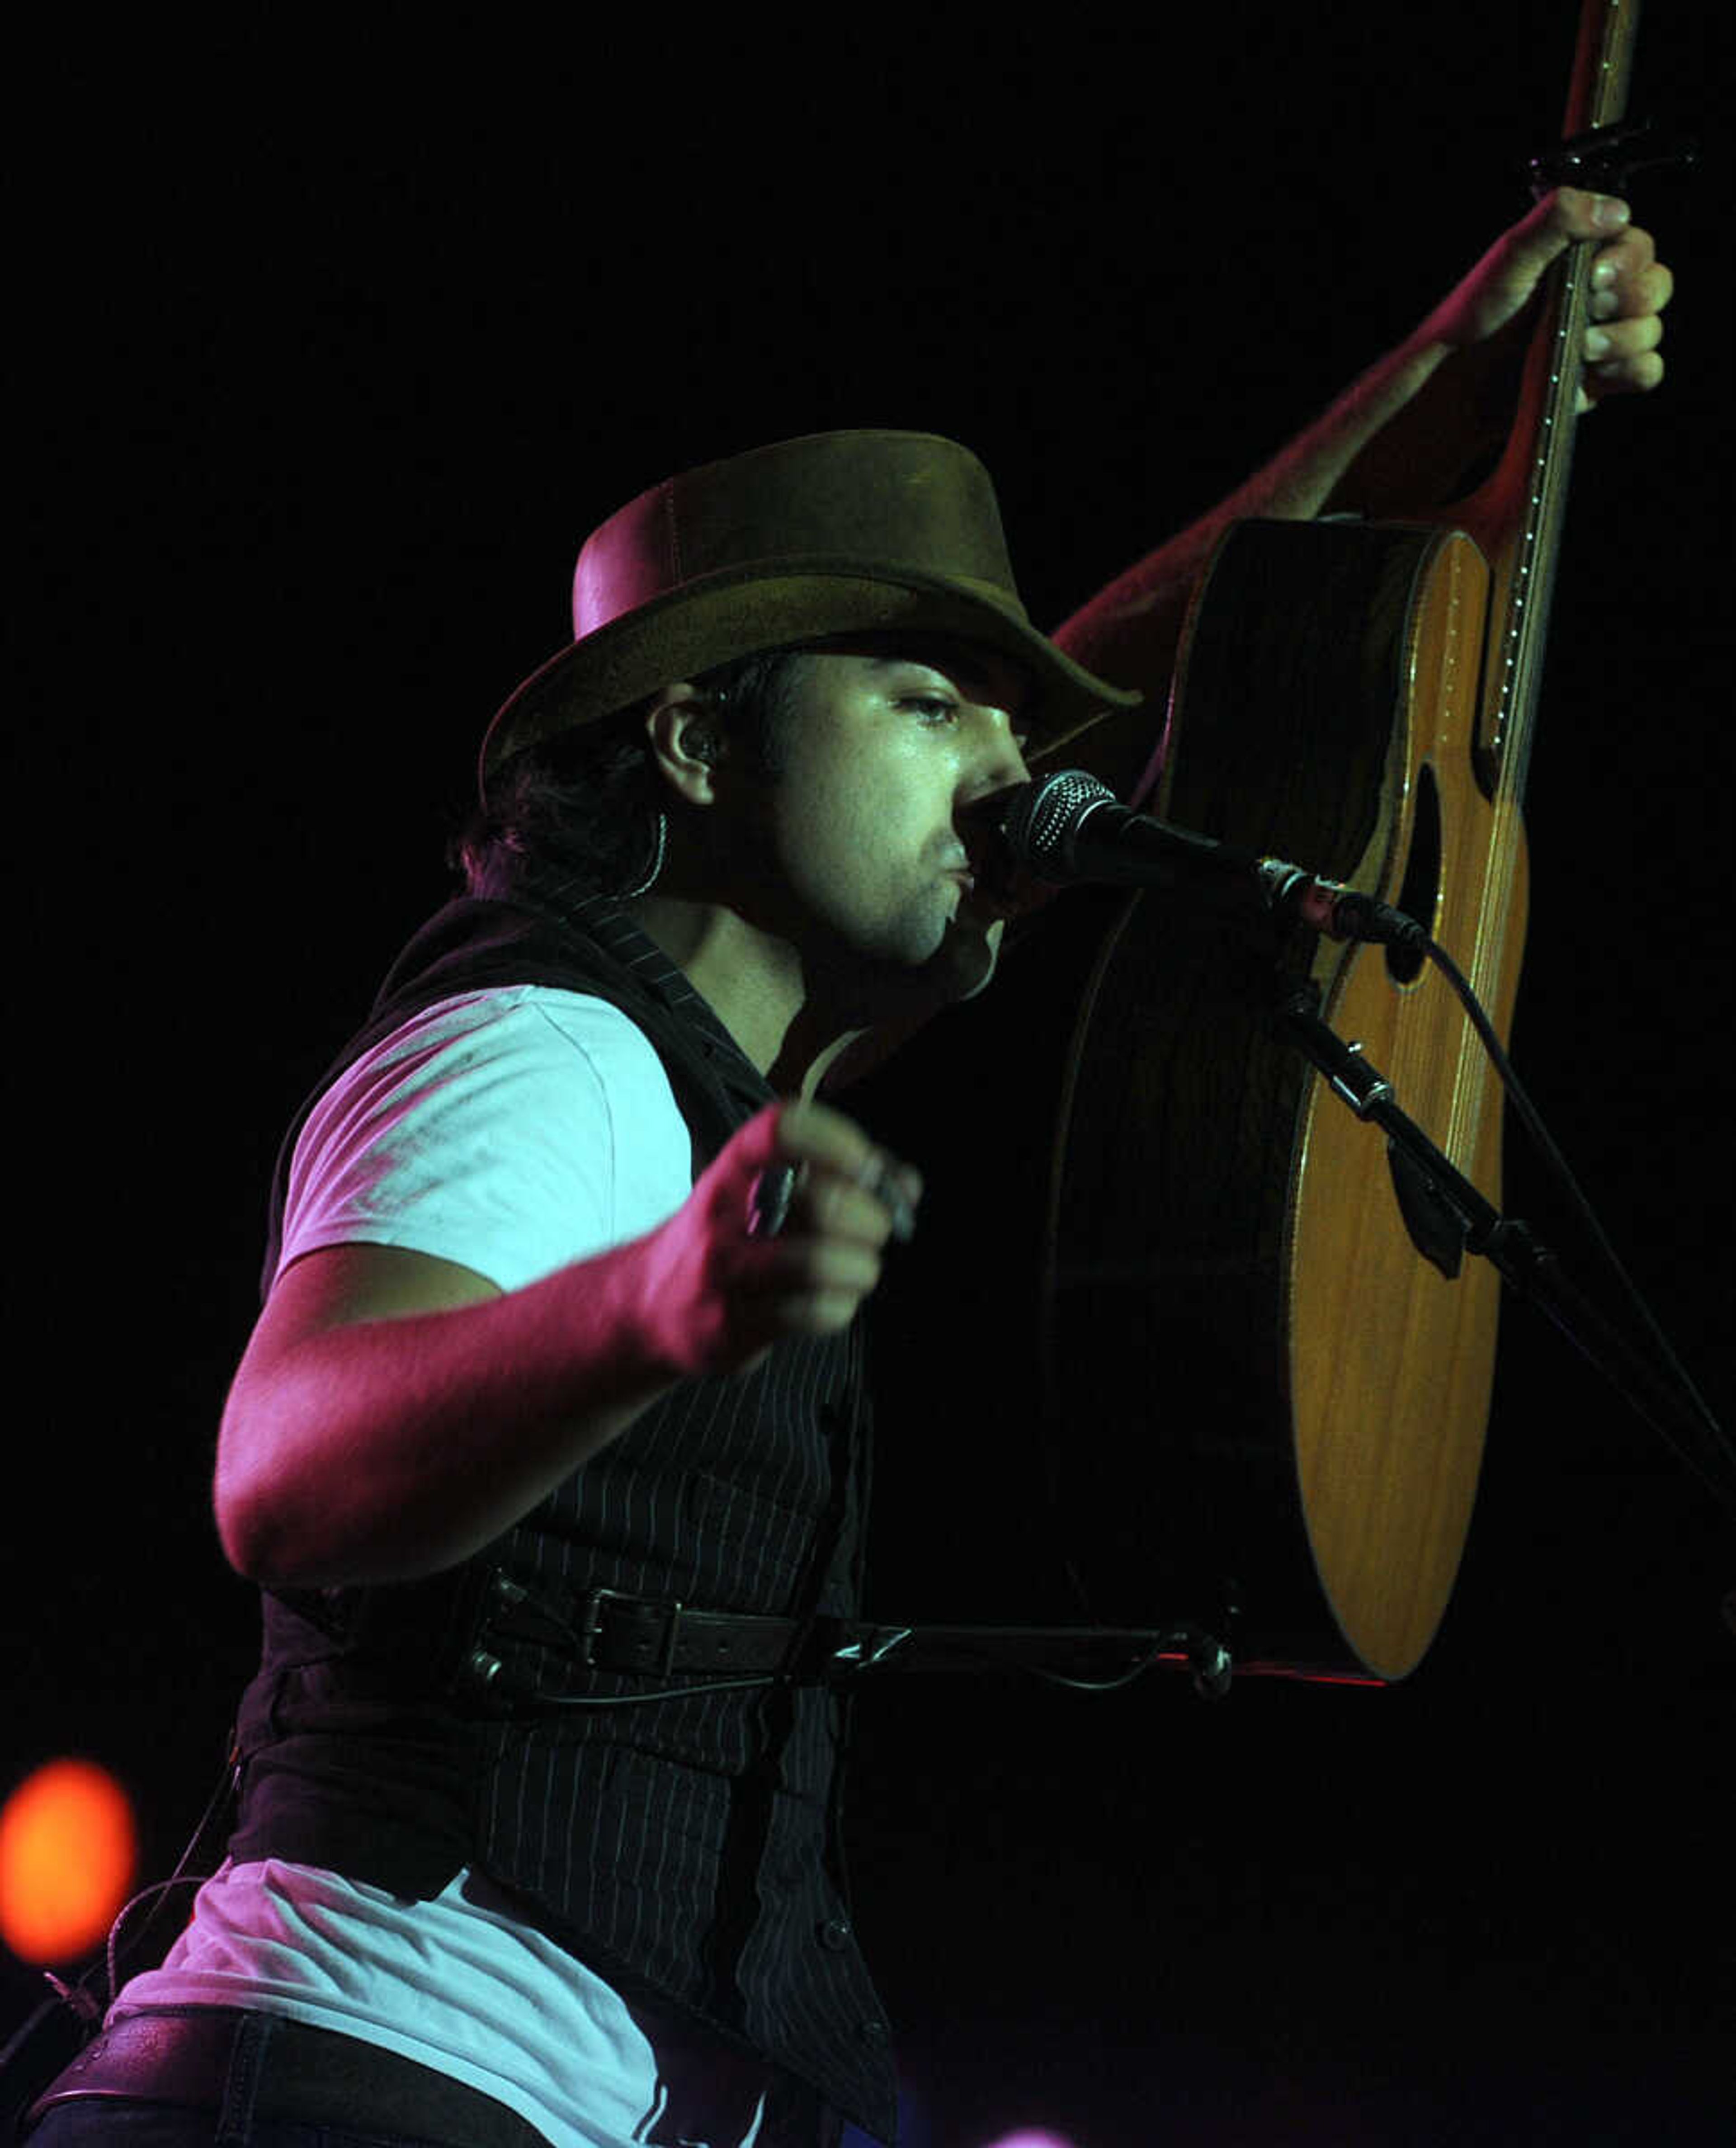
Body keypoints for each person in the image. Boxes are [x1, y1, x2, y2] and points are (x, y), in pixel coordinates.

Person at [20, 189, 1671, 2148]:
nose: (1014, 767)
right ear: (704, 749)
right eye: (924, 702)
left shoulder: (717, 1053)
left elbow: (1128, 666)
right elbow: (281, 1468)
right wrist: (656, 1305)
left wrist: (1439, 385)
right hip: (363, 2089)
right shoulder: (545, 1048)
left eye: (1001, 714)